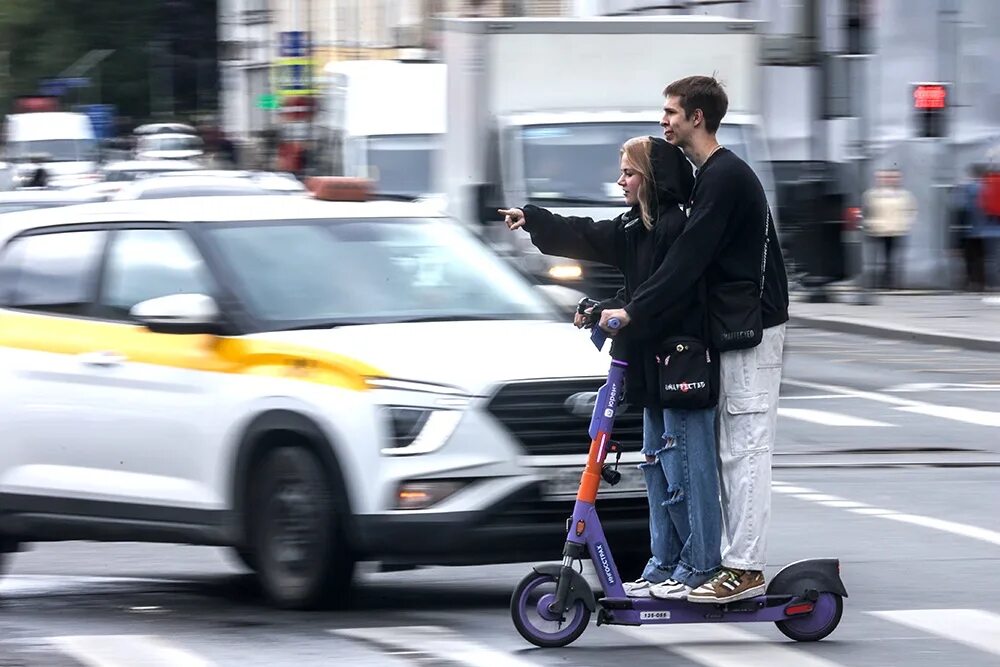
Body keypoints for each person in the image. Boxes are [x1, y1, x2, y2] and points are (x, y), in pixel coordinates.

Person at [500, 136, 722, 599]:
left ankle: (699, 564)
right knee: (658, 470)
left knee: (684, 473)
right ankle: (664, 564)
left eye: (628, 173)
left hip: (680, 368)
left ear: (652, 180)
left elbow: (668, 293)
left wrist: (625, 312)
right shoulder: (634, 228)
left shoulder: (675, 228)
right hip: (648, 369)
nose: (620, 181)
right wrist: (534, 220)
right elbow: (586, 234)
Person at [597, 76, 789, 603]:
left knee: (745, 449)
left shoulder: (725, 176)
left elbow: (688, 259)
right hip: (731, 329)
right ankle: (717, 563)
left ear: (696, 117)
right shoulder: (712, 176)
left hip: (756, 327)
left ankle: (745, 569)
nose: (664, 122)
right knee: (727, 447)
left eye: (671, 112)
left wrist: (634, 312)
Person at [862, 169, 916, 290]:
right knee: (874, 259)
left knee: (893, 259)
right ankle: (874, 283)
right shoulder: (871, 195)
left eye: (895, 178)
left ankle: (891, 283)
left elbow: (912, 210)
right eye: (886, 178)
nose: (890, 180)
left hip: (897, 230)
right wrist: (869, 223)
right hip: (876, 230)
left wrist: (907, 223)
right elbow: (865, 211)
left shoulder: (905, 195)